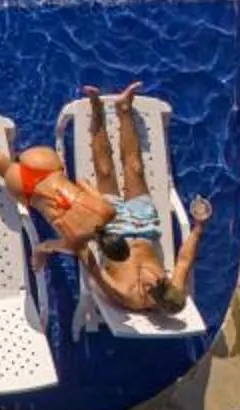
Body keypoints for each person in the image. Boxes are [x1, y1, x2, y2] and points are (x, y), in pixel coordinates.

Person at [73, 81, 213, 318]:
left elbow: (94, 270)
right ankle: (124, 108)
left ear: (149, 297)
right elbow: (184, 261)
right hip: (145, 226)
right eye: (160, 281)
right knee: (136, 168)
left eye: (151, 285)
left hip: (114, 231)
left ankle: (96, 109)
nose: (154, 279)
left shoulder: (127, 293)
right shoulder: (173, 290)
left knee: (104, 170)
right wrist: (199, 226)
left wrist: (80, 234)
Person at [0, 109, 116, 261]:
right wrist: (38, 256)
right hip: (26, 187)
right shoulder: (75, 244)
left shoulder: (108, 210)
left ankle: (17, 155)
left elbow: (83, 183)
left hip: (43, 161)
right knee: (6, 172)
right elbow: (45, 246)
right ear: (101, 249)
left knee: (50, 168)